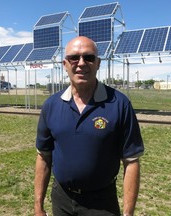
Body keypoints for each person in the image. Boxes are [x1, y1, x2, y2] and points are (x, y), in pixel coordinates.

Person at [34, 36, 144, 216]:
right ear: (65, 64)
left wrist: (128, 213)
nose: (81, 63)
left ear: (98, 63)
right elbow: (43, 157)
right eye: (74, 58)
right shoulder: (51, 105)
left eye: (89, 57)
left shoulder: (119, 104)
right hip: (61, 200)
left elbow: (131, 161)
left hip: (101, 204)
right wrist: (38, 205)